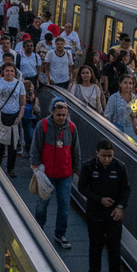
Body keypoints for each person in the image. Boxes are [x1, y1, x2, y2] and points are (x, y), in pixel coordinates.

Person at [79, 140, 130, 272]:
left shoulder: (120, 167)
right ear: (97, 153)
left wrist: (120, 207)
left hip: (114, 215)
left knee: (114, 247)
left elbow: (125, 190)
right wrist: (99, 199)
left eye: (110, 156)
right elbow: (82, 187)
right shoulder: (88, 167)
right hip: (95, 213)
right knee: (96, 245)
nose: (107, 159)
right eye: (103, 156)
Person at [30, 98, 81, 249]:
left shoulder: (71, 128)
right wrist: (35, 166)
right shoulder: (43, 125)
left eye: (64, 115)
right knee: (42, 205)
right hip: (46, 174)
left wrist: (77, 170)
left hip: (65, 174)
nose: (61, 118)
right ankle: (39, 230)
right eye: (58, 115)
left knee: (64, 207)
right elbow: (36, 146)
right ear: (52, 112)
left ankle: (60, 234)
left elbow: (76, 150)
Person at [0, 63, 26, 177]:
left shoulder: (19, 84)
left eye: (12, 71)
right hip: (0, 115)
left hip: (14, 116)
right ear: (2, 72)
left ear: (15, 72)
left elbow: (22, 102)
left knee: (13, 145)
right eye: (7, 71)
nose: (9, 73)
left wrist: (20, 116)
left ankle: (11, 169)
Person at [104, 74, 137, 143]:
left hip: (133, 135)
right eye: (125, 83)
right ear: (120, 84)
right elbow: (107, 116)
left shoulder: (136, 99)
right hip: (118, 133)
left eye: (130, 83)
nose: (128, 86)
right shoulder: (114, 98)